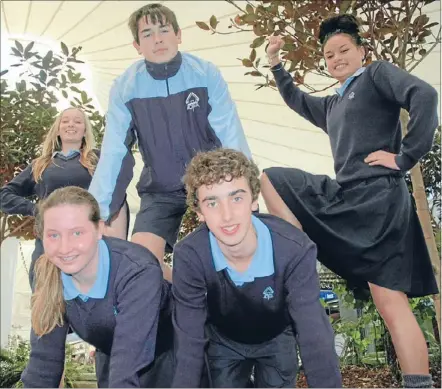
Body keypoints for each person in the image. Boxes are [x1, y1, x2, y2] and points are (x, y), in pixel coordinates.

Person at [261, 14, 439, 389]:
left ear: (362, 51)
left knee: (392, 306)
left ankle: (418, 385)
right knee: (271, 178)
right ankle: (299, 260)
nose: (336, 58)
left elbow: (425, 94)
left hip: (381, 201)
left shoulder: (376, 76)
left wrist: (405, 157)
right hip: (349, 201)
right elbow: (295, 99)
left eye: (344, 50)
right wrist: (276, 64)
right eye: (329, 55)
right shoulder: (332, 105)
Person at [88, 3, 251, 282]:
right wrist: (97, 210)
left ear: (178, 34)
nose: (158, 39)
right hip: (160, 189)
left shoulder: (205, 74)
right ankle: (188, 291)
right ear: (137, 45)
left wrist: (245, 188)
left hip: (209, 182)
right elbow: (115, 152)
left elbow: (230, 133)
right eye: (148, 34)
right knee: (140, 263)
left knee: (233, 255)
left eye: (164, 30)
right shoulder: (125, 87)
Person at [171, 148, 341, 388]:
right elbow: (188, 342)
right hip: (224, 338)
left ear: (253, 200)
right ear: (199, 212)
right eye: (212, 202)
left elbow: (314, 335)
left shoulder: (294, 249)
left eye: (237, 198)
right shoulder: (190, 256)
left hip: (277, 334)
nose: (227, 215)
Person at [20, 186, 173, 388]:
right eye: (54, 235)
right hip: (112, 357)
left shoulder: (137, 270)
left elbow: (127, 366)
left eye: (77, 233)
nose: (65, 248)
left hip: (171, 358)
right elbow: (44, 363)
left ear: (99, 229)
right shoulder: (48, 273)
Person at [0, 107, 128, 287]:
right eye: (65, 120)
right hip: (49, 242)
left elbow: (118, 193)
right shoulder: (41, 164)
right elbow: (4, 195)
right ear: (58, 129)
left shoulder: (97, 160)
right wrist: (36, 209)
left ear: (85, 130)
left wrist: (114, 235)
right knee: (44, 295)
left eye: (78, 121)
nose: (71, 125)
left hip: (88, 242)